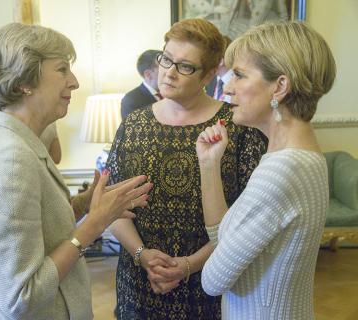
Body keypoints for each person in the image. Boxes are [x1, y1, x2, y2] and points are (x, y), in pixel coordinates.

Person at [0, 22, 152, 319]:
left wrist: (85, 204)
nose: (73, 81)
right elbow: (21, 295)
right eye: (62, 69)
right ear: (25, 80)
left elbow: (37, 227)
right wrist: (94, 224)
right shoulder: (10, 157)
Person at [107, 18, 267, 319]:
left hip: (209, 281)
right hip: (140, 282)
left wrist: (189, 265)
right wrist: (143, 257)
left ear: (207, 74)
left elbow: (244, 221)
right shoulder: (134, 125)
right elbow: (113, 209)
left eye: (185, 66)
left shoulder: (238, 127)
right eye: (166, 59)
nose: (168, 72)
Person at [197, 21, 336, 319]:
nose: (227, 86)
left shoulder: (282, 172)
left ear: (280, 86)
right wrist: (209, 166)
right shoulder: (296, 158)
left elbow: (212, 281)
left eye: (239, 75)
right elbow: (226, 240)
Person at [121, 49, 162, 119]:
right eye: (163, 69)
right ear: (148, 74)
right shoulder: (131, 100)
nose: (169, 73)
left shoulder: (172, 94)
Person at [205, 36, 232, 103]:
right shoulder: (210, 79)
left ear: (220, 61)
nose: (205, 62)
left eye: (208, 58)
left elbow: (228, 113)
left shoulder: (237, 86)